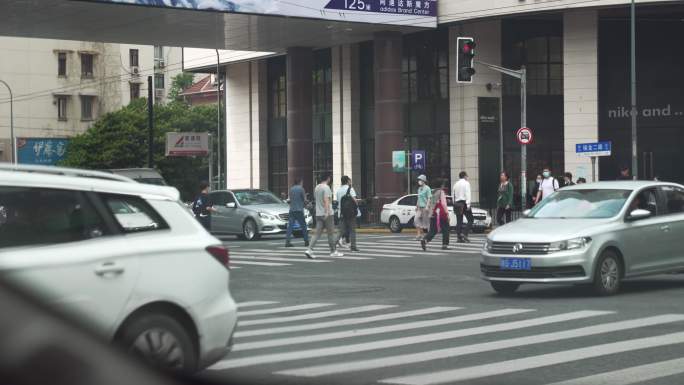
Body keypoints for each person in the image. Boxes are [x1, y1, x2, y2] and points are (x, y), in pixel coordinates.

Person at [305, 173, 343, 259]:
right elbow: (326, 200)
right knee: (330, 233)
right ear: (328, 178)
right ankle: (333, 251)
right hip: (327, 214)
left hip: (318, 213)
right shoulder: (326, 188)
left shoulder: (317, 187)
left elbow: (317, 199)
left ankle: (309, 249)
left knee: (317, 233)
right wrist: (327, 212)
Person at [335, 176, 360, 252]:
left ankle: (333, 244)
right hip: (350, 213)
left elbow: (338, 202)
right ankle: (353, 246)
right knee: (352, 230)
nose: (350, 182)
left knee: (341, 230)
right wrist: (357, 206)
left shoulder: (338, 190)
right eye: (350, 180)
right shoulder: (350, 189)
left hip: (341, 213)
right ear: (347, 181)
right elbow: (355, 200)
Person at [421, 182, 450, 250]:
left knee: (433, 230)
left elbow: (428, 203)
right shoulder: (441, 192)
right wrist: (447, 213)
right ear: (441, 186)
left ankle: (425, 240)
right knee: (446, 229)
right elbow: (443, 204)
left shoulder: (432, 192)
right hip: (440, 214)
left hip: (433, 213)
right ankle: (444, 245)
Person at [285, 178, 309, 248]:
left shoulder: (291, 189)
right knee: (303, 226)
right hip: (299, 210)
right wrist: (307, 202)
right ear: (300, 182)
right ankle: (306, 241)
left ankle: (287, 242)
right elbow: (305, 200)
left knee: (290, 226)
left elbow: (289, 200)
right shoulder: (301, 189)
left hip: (292, 210)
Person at [452, 171, 474, 243]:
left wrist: (454, 203)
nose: (467, 177)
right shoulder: (466, 183)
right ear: (464, 176)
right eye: (467, 176)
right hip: (464, 203)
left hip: (457, 203)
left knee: (459, 221)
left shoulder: (455, 184)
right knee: (470, 220)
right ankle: (464, 233)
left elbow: (453, 195)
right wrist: (468, 204)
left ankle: (459, 238)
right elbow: (468, 194)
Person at [414, 175, 432, 241]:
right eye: (419, 180)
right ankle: (419, 234)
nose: (419, 181)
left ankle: (427, 236)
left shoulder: (427, 188)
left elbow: (429, 198)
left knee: (426, 222)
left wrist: (427, 206)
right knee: (416, 219)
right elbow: (418, 198)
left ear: (423, 181)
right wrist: (416, 206)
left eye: (420, 180)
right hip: (419, 208)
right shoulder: (419, 189)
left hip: (425, 207)